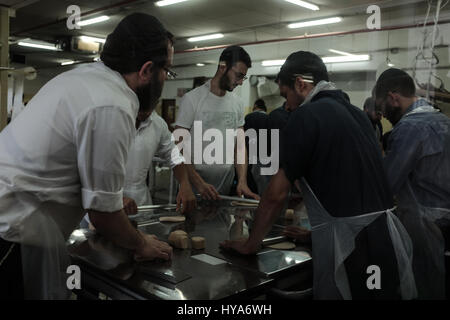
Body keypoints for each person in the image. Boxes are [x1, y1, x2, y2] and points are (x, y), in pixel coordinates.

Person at [0, 13, 174, 299]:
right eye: (167, 69)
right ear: (146, 70)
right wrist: (141, 243)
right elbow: (103, 213)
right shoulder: (114, 104)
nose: (166, 78)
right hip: (9, 229)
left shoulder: (85, 78)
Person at [221, 51, 416, 300]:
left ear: (301, 84)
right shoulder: (358, 115)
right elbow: (353, 188)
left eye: (286, 96)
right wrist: (314, 235)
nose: (287, 106)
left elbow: (275, 194)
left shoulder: (306, 116)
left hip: (353, 249)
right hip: (384, 239)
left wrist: (250, 245)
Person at [374, 68, 450, 299]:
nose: (382, 114)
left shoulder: (408, 128)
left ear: (393, 97)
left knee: (425, 287)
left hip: (424, 224)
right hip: (445, 217)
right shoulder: (444, 121)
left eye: (382, 106)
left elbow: (387, 185)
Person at [175, 46, 259, 201]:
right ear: (222, 67)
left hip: (224, 192)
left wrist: (242, 181)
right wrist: (198, 183)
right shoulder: (192, 99)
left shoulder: (237, 103)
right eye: (238, 75)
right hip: (193, 192)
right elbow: (178, 148)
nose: (240, 82)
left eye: (243, 78)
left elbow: (239, 146)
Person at [121, 108, 196, 215]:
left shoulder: (157, 123)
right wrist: (115, 199)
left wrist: (184, 183)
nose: (146, 113)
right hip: (107, 204)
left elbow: (174, 156)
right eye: (142, 108)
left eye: (149, 109)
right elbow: (90, 168)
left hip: (142, 205)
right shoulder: (110, 120)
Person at [244, 99, 269, 195]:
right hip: (264, 157)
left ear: (255, 106)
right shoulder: (269, 118)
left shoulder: (248, 117)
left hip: (249, 155)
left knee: (250, 182)